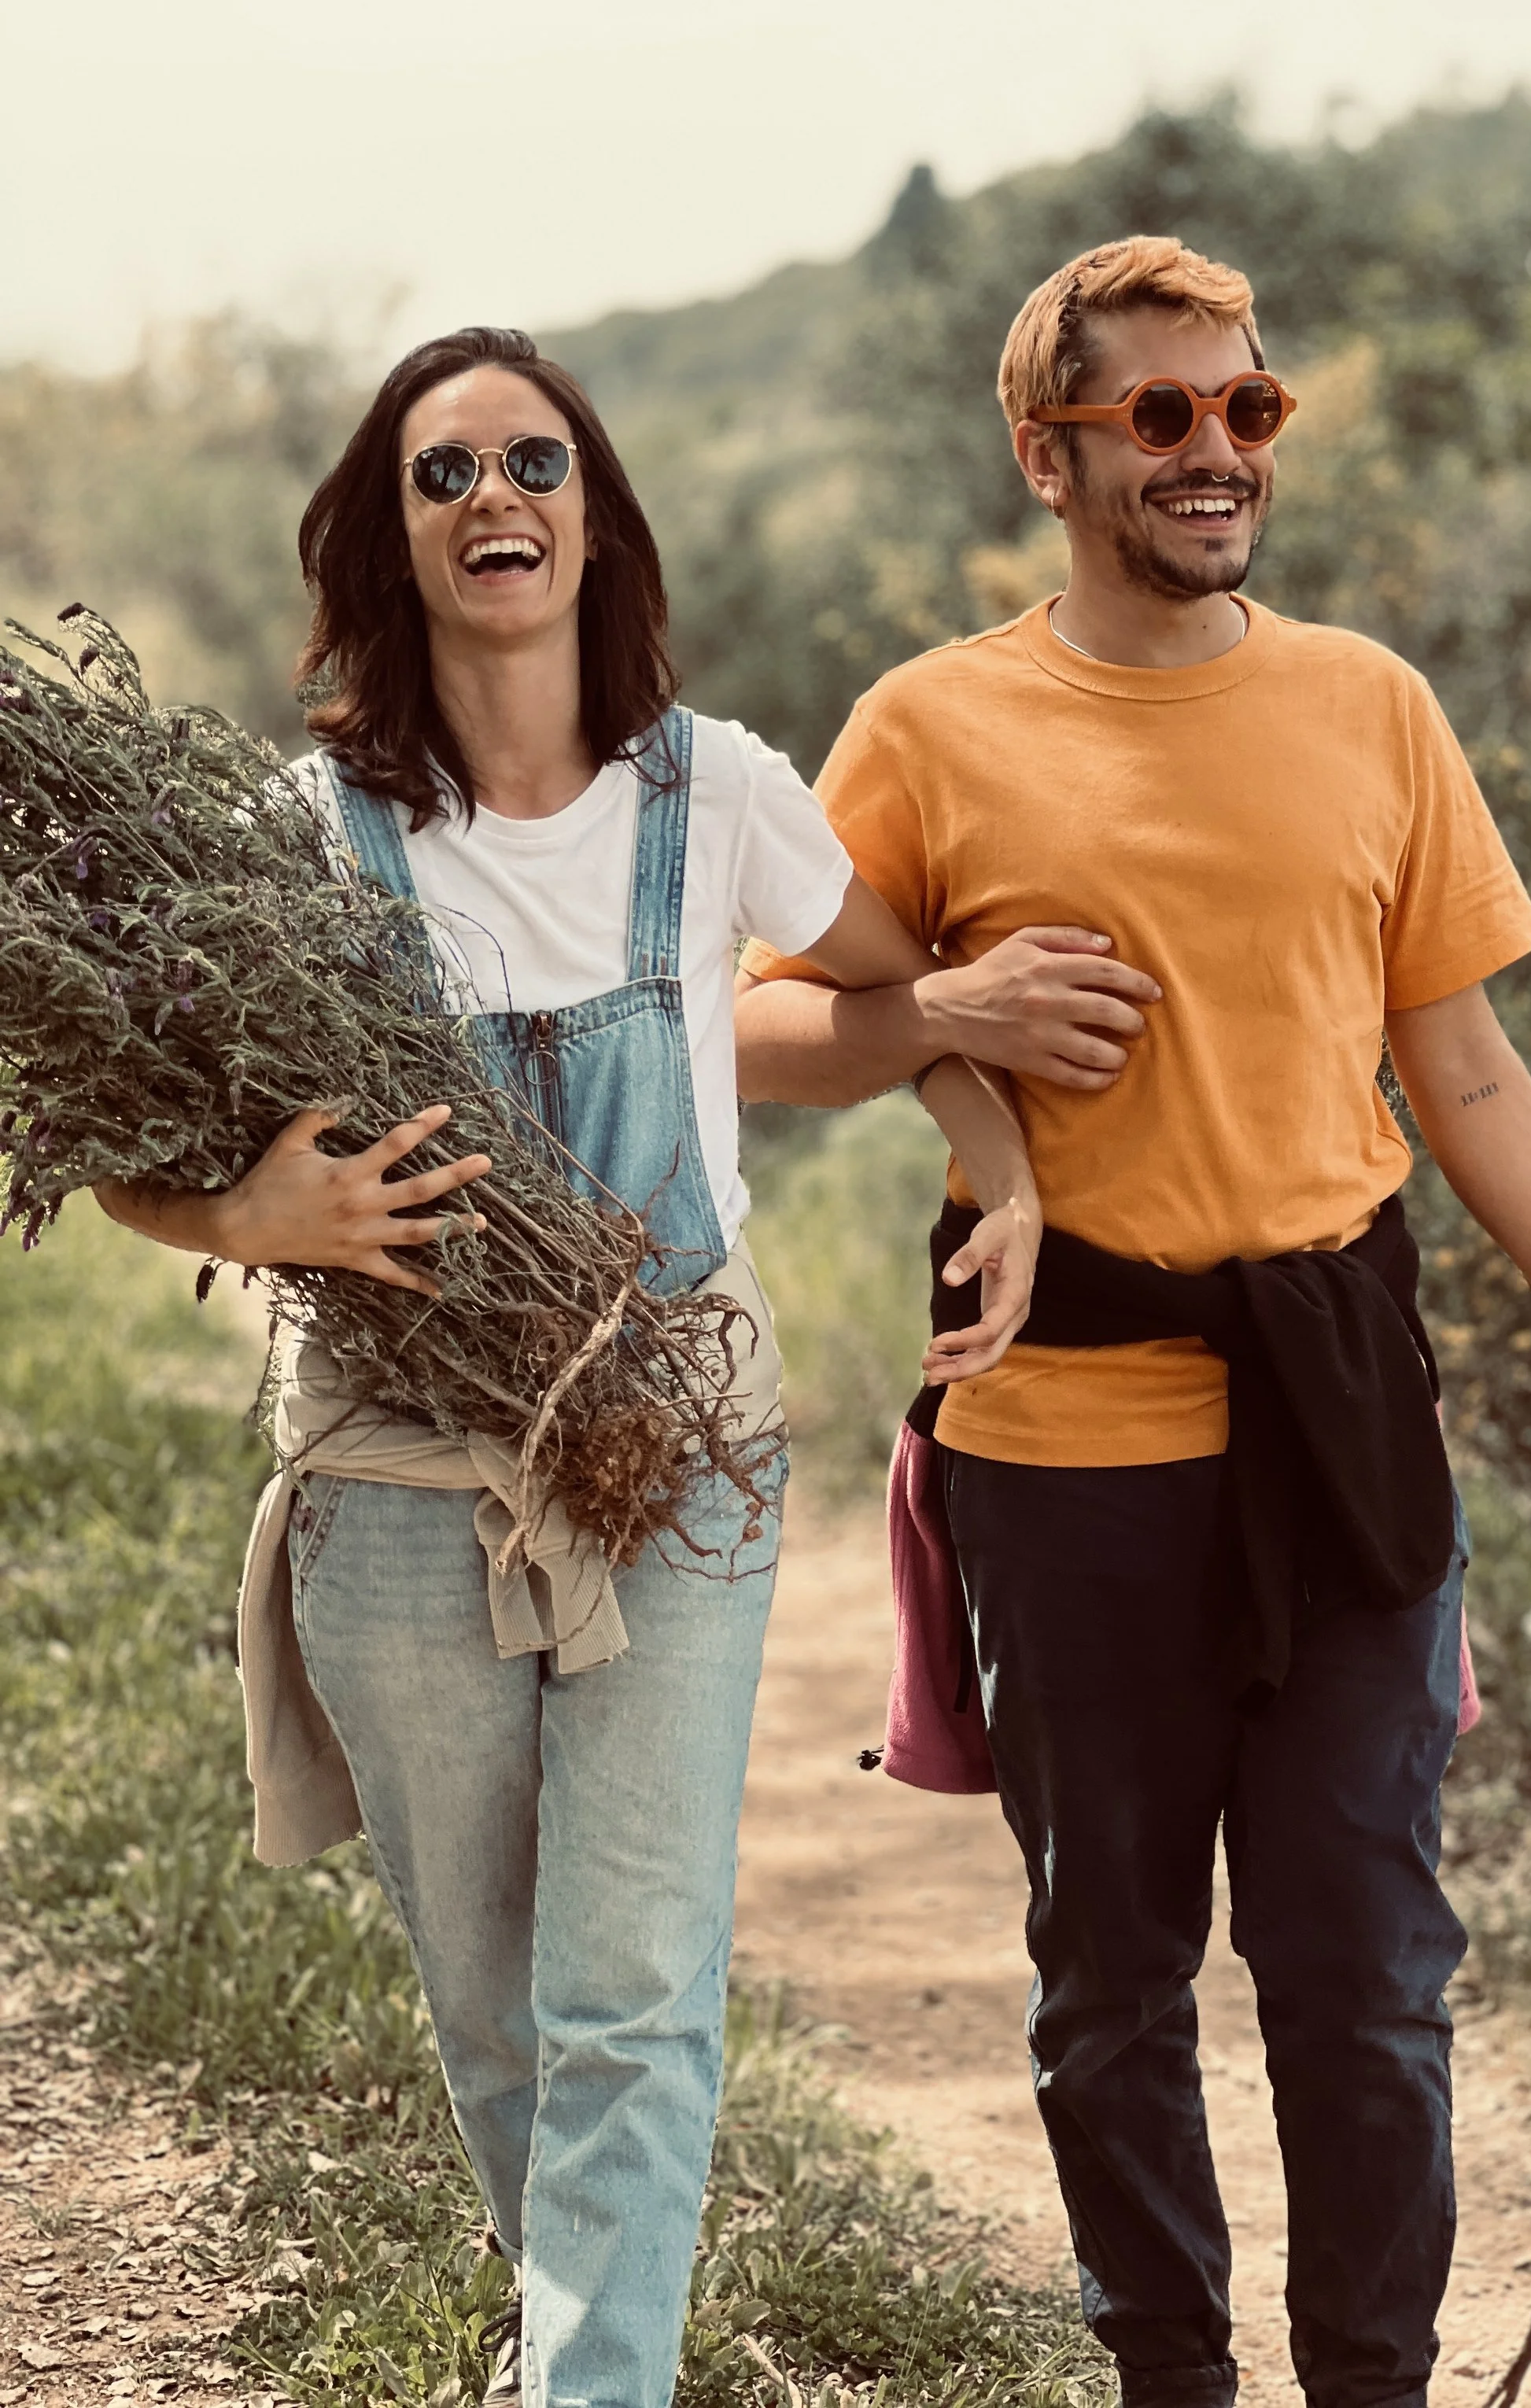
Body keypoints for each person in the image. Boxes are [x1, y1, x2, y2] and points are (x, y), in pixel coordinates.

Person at [733, 238, 1531, 2408]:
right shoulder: (933, 722)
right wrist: (947, 1007)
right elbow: (750, 1020)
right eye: (1158, 415)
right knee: (1110, 1977)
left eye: (1244, 408)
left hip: (1344, 1433)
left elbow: (1453, 1062)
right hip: (1064, 1454)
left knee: (1365, 1974)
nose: (1212, 451)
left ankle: (1372, 2384)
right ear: (1047, 455)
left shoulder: (1366, 703)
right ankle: (1163, 2376)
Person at [94, 326, 1038, 2408]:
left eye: (534, 460)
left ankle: (590, 2381)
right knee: (507, 2002)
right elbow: (125, 1144)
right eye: (444, 474)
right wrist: (259, 1217)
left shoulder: (719, 791)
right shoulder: (300, 829)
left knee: (627, 1989)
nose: (493, 497)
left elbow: (903, 990)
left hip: (672, 1443)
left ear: (592, 517)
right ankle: (572, 2331)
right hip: (400, 1471)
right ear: (389, 535)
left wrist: (997, 1166)